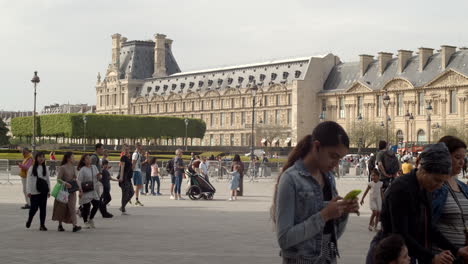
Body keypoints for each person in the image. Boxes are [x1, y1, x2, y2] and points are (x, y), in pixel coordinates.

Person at [272, 121, 359, 263]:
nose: (336, 164)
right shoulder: (290, 179)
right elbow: (284, 239)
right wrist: (324, 215)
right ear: (317, 146)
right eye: (333, 156)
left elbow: (333, 234)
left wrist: (342, 212)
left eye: (340, 159)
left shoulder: (329, 178)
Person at [368, 143, 468, 264]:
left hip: (407, 254)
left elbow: (430, 228)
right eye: (436, 180)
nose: (439, 185)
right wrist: (431, 257)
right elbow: (400, 232)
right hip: (390, 255)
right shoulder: (401, 189)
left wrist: (456, 250)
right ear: (423, 170)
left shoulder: (425, 188)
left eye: (442, 181)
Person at [432, 136, 468, 253]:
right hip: (443, 255)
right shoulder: (434, 187)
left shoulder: (462, 187)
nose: (462, 162)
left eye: (464, 158)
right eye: (457, 157)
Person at [52, 152, 82, 232]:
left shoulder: (73, 167)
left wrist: (80, 189)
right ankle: (60, 225)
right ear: (68, 158)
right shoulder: (62, 167)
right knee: (62, 208)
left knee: (72, 208)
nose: (74, 159)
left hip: (72, 191)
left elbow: (76, 178)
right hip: (63, 191)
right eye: (73, 157)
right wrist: (65, 183)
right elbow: (58, 179)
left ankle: (74, 225)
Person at [25, 152, 50, 231]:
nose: (41, 158)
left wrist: (48, 190)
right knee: (34, 208)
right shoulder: (31, 168)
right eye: (39, 157)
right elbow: (28, 180)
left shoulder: (45, 168)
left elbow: (47, 180)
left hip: (43, 192)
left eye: (43, 157)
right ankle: (30, 219)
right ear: (36, 158)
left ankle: (42, 225)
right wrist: (28, 191)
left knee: (43, 209)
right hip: (34, 192)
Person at [77, 154, 101, 229]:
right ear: (84, 161)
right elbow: (79, 180)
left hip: (93, 189)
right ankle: (85, 222)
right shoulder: (82, 169)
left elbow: (98, 175)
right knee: (87, 207)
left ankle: (90, 219)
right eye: (87, 159)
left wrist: (99, 176)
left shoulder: (94, 167)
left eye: (89, 158)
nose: (89, 159)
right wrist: (80, 191)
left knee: (97, 203)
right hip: (86, 190)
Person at [118, 145, 134, 215]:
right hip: (124, 178)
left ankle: (122, 207)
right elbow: (122, 167)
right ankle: (123, 209)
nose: (127, 151)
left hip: (128, 178)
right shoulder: (123, 157)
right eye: (126, 150)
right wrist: (121, 177)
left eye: (128, 149)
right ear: (123, 151)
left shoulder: (128, 158)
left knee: (131, 192)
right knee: (125, 194)